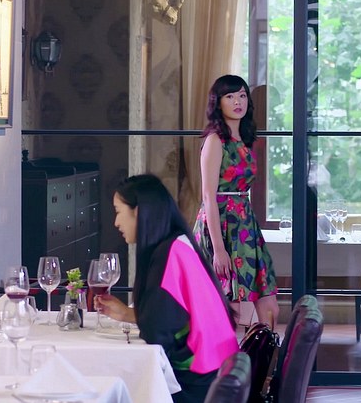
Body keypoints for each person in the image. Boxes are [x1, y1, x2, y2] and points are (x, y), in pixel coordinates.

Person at [95, 174, 238, 403]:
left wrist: (137, 317)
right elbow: (174, 319)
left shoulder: (167, 256)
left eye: (118, 211)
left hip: (196, 384)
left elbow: (158, 333)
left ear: (138, 212)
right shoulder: (178, 243)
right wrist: (128, 314)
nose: (116, 223)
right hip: (219, 371)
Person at [192, 74, 279, 328]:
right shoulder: (215, 140)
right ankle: (225, 354)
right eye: (229, 96)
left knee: (269, 305)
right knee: (228, 307)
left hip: (244, 223)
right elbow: (208, 196)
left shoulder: (246, 139)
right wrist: (219, 249)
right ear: (218, 103)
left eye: (242, 95)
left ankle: (267, 353)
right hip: (220, 224)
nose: (237, 101)